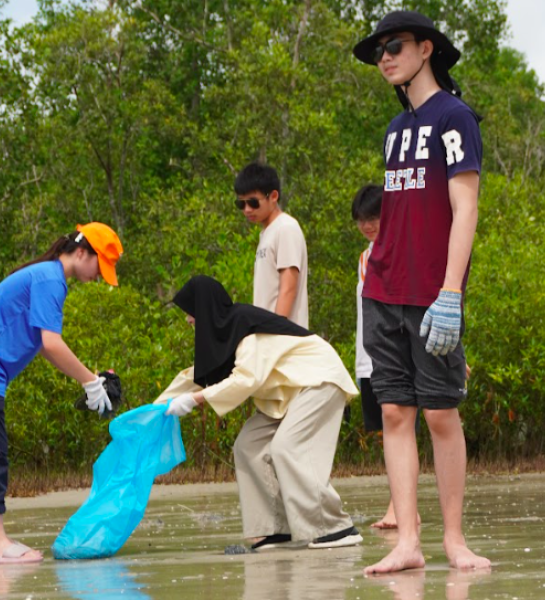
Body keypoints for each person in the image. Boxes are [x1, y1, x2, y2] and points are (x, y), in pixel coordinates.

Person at [353, 11, 491, 572]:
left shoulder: (454, 118)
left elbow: (466, 208)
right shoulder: (394, 131)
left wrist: (452, 291)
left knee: (440, 415)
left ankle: (453, 540)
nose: (385, 56)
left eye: (395, 46)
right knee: (393, 413)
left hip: (434, 292)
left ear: (426, 49)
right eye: (379, 50)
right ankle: (407, 542)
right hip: (383, 288)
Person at [154, 275, 362, 550]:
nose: (189, 320)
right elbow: (194, 377)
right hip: (287, 394)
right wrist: (154, 410)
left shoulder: (245, 326)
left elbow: (245, 379)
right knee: (248, 446)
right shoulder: (226, 338)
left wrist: (194, 400)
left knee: (287, 447)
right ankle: (275, 529)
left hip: (317, 380)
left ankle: (335, 527)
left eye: (191, 312)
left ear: (204, 309)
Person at [0, 222, 123, 564]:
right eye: (100, 268)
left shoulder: (47, 277)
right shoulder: (50, 280)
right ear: (82, 252)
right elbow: (51, 344)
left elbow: (43, 343)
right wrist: (90, 383)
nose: (99, 277)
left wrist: (87, 378)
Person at [234, 162, 308, 328]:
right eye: (241, 204)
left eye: (253, 202)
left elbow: (288, 288)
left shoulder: (285, 228)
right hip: (267, 337)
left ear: (273, 196)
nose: (247, 209)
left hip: (283, 339)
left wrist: (274, 332)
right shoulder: (268, 233)